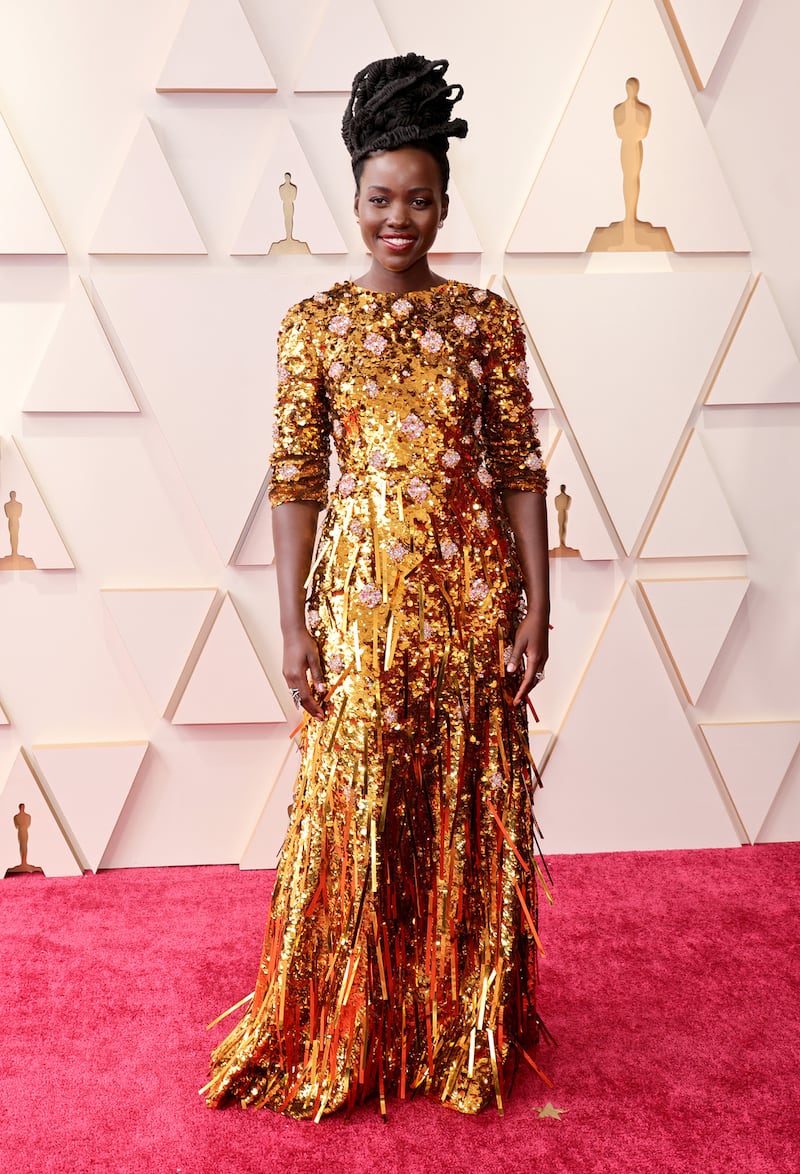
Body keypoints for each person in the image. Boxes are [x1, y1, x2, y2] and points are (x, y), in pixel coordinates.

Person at [205, 53, 551, 1120]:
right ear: (352, 198)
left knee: (463, 812)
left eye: (419, 200)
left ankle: (460, 1018)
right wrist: (292, 621)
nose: (398, 219)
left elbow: (518, 470)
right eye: (378, 199)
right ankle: (352, 1022)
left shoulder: (487, 321)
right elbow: (296, 480)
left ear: (445, 203)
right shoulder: (311, 327)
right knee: (354, 815)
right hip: (357, 607)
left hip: (468, 600)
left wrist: (537, 604)